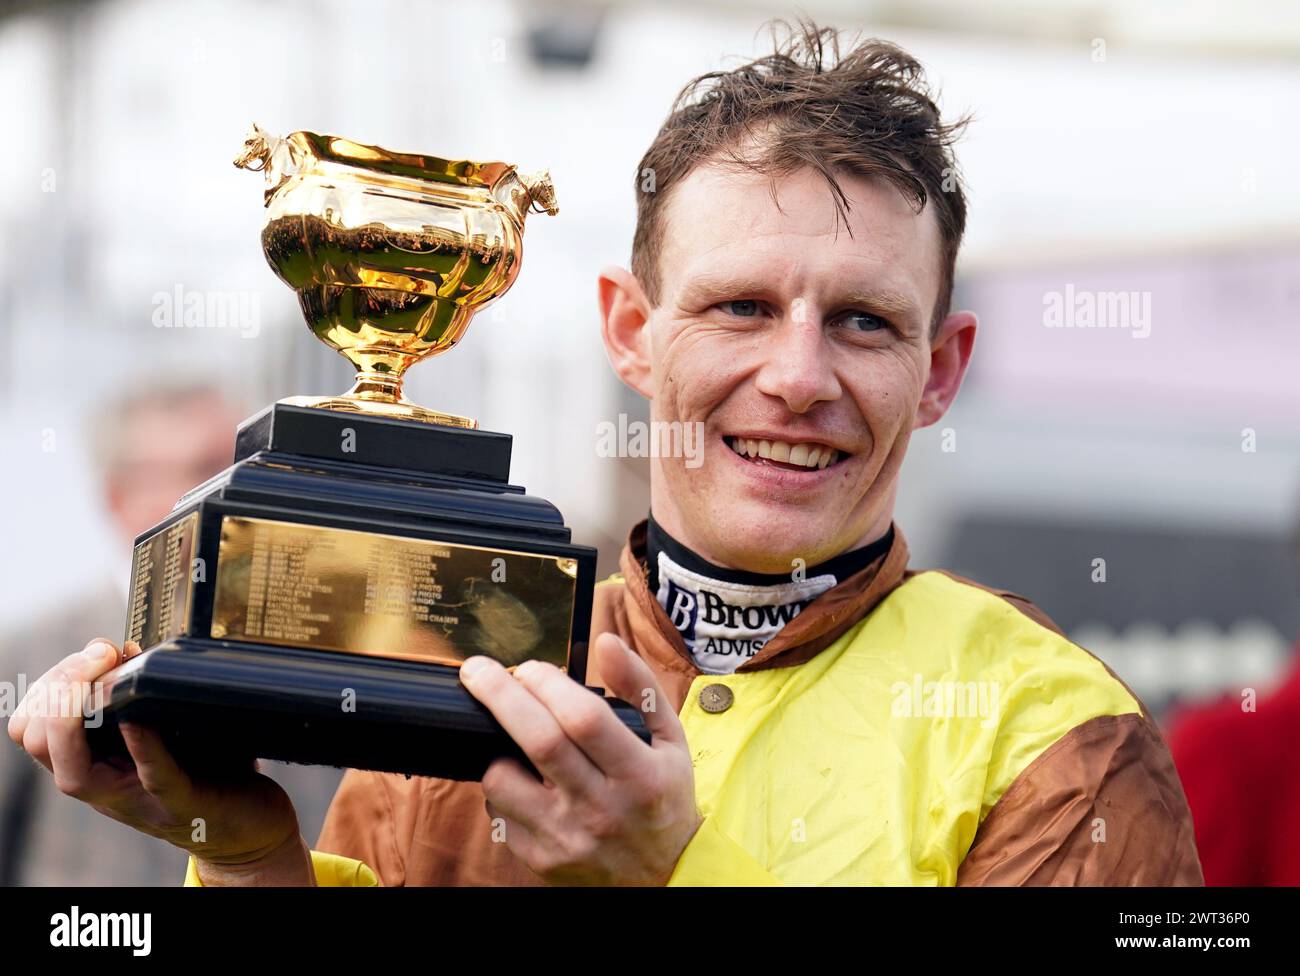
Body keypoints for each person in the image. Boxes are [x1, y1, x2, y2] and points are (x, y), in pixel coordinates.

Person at [6, 20, 1202, 886]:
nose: (796, 375)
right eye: (738, 306)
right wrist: (248, 850)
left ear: (937, 371)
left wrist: (677, 869)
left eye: (863, 320)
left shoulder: (1053, 730)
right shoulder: (467, 637)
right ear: (631, 330)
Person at [0, 382, 343, 884]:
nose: (236, 493)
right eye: (202, 471)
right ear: (119, 498)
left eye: (243, 469)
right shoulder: (24, 654)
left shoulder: (309, 652)